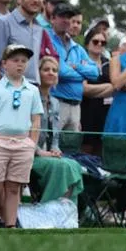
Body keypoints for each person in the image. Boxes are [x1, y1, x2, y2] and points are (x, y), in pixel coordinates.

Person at [0, 44, 43, 228]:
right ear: (4, 64)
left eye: (24, 61)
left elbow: (36, 120)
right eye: (15, 60)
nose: (20, 64)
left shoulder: (32, 90)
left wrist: (32, 143)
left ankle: (11, 225)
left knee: (14, 187)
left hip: (23, 143)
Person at [31, 55, 85, 203]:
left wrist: (55, 149)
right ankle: (49, 208)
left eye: (54, 70)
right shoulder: (30, 97)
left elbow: (55, 134)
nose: (51, 73)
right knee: (61, 167)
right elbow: (23, 132)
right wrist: (39, 151)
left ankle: (65, 212)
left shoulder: (55, 102)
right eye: (46, 69)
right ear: (38, 73)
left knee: (73, 165)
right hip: (30, 154)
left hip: (47, 153)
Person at [46, 2, 99, 134]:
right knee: (52, 145)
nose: (66, 20)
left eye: (68, 17)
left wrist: (76, 66)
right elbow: (61, 71)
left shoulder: (77, 47)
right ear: (53, 18)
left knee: (72, 148)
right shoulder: (47, 39)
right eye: (62, 16)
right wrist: (82, 73)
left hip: (76, 106)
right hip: (57, 102)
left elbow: (95, 73)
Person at [79, 24, 112, 155]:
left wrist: (96, 90)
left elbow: (116, 87)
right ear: (87, 44)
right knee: (86, 147)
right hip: (86, 110)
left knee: (101, 148)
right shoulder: (82, 61)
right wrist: (109, 87)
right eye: (95, 41)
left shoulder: (108, 63)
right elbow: (84, 89)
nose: (99, 44)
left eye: (103, 42)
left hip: (106, 112)